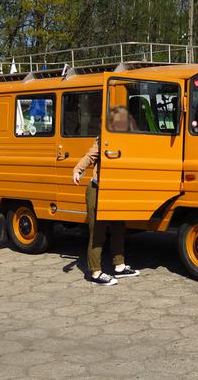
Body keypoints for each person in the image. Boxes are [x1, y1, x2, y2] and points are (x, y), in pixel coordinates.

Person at [72, 106, 140, 286]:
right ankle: (95, 272)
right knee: (98, 233)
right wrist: (78, 170)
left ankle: (119, 266)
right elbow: (90, 156)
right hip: (97, 190)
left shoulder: (128, 140)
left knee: (118, 228)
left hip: (114, 192)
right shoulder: (105, 139)